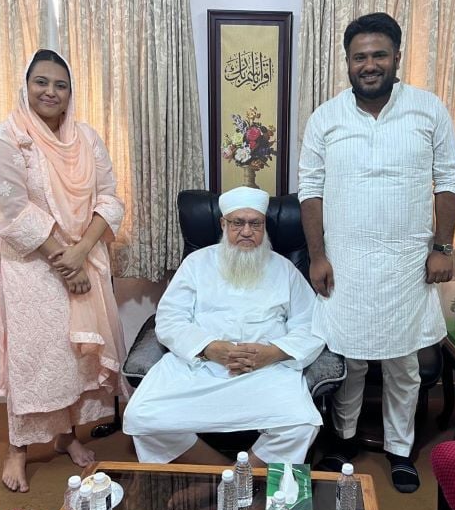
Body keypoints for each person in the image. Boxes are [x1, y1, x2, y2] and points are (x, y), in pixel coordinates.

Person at [298, 12, 455, 493]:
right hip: (345, 261)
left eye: (378, 55)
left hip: (405, 264)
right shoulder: (326, 117)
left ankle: (399, 450)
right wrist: (317, 256)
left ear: (396, 58)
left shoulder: (428, 110)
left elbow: (448, 181)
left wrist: (442, 247)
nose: (369, 65)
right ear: (347, 63)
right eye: (359, 57)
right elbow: (311, 189)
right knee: (349, 360)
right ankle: (344, 440)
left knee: (403, 364)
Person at [0, 49, 129, 492]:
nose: (50, 91)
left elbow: (110, 199)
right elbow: (11, 211)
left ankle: (68, 437)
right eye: (41, 82)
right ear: (26, 87)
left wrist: (81, 251)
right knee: (33, 361)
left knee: (74, 360)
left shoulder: (86, 138)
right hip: (32, 269)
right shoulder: (6, 140)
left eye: (60, 84)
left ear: (70, 93)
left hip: (84, 261)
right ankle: (18, 450)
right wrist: (64, 261)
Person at [123, 186, 324, 467]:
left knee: (302, 424)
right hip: (201, 370)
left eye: (255, 224)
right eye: (237, 223)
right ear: (223, 224)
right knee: (140, 417)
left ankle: (222, 483)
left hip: (264, 372)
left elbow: (312, 325)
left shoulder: (284, 269)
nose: (246, 231)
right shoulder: (196, 264)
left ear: (264, 226)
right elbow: (169, 318)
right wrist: (208, 348)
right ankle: (227, 476)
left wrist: (274, 353)